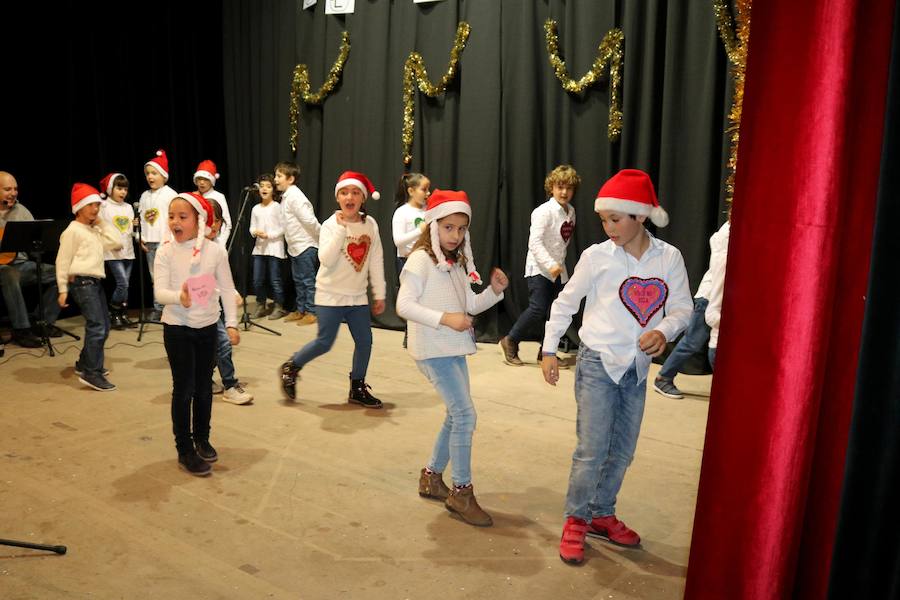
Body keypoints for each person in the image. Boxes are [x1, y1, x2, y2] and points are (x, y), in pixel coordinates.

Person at [541, 169, 692, 565]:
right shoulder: (596, 257)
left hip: (638, 369)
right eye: (603, 219)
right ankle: (576, 519)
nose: (608, 227)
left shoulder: (669, 258)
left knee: (622, 450)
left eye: (615, 219)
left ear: (640, 216)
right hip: (597, 363)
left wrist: (663, 330)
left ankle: (601, 513)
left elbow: (682, 308)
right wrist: (548, 349)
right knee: (592, 449)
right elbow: (565, 303)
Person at [397, 189, 508, 527]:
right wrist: (447, 318)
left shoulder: (456, 261)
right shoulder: (420, 261)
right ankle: (461, 492)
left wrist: (495, 292)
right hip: (433, 349)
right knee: (464, 415)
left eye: (461, 229)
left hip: (453, 347)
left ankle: (431, 478)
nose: (455, 235)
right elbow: (403, 306)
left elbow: (469, 306)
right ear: (432, 225)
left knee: (456, 414)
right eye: (448, 227)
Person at [280, 171, 386, 408]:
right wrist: (341, 230)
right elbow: (325, 260)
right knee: (324, 342)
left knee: (365, 341)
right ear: (338, 198)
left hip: (357, 297)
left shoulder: (370, 225)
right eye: (344, 193)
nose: (350, 197)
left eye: (355, 193)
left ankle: (357, 388)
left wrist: (379, 293)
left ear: (363, 198)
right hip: (329, 295)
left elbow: (376, 259)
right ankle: (292, 366)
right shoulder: (329, 225)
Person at [154, 192, 239, 476]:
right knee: (184, 388)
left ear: (199, 220)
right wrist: (180, 297)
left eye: (182, 216)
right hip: (177, 328)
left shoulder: (215, 251)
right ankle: (185, 449)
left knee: (204, 387)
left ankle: (202, 438)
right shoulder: (165, 251)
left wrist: (232, 324)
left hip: (207, 328)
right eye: (172, 216)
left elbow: (227, 289)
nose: (175, 221)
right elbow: (159, 292)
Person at [499, 165, 580, 367]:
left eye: (569, 188)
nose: (564, 192)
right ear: (551, 188)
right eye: (560, 187)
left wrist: (559, 267)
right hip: (539, 269)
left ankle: (546, 352)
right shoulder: (543, 212)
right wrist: (550, 264)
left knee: (556, 312)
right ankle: (510, 340)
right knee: (537, 309)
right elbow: (534, 243)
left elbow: (561, 243)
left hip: (558, 271)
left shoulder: (571, 212)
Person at [653, 220, 730, 398]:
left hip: (717, 297)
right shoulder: (727, 234)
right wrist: (714, 307)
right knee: (693, 341)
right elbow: (720, 274)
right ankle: (663, 378)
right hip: (710, 298)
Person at [56, 184, 123, 391]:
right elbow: (63, 260)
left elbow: (116, 241)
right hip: (82, 283)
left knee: (103, 325)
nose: (96, 209)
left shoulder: (93, 230)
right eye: (91, 205)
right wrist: (62, 288)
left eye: (97, 205)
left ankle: (85, 363)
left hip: (94, 283)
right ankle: (91, 373)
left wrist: (102, 221)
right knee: (97, 326)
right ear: (79, 207)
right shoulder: (72, 231)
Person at [0, 171, 61, 347]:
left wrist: (39, 244)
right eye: (7, 189)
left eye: (15, 189)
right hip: (2, 269)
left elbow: (34, 241)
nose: (13, 193)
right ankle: (21, 330)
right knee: (8, 274)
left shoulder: (21, 210)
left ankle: (43, 322)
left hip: (22, 265)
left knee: (63, 273)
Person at [205, 198, 253, 405]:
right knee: (220, 344)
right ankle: (230, 385)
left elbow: (222, 278)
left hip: (213, 306)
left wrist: (231, 292)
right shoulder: (192, 248)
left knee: (218, 344)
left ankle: (210, 380)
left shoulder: (217, 248)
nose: (214, 224)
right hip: (198, 308)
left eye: (217, 220)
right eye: (209, 219)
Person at [277, 161, 321, 324]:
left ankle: (312, 312)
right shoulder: (286, 197)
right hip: (295, 246)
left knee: (308, 280)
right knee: (298, 279)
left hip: (305, 245)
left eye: (279, 176)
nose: (276, 179)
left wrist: (323, 235)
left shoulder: (295, 197)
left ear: (291, 179)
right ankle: (301, 309)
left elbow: (309, 221)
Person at [391, 172, 430, 348]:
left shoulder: (428, 211)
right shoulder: (402, 212)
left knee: (427, 298)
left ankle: (423, 335)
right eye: (424, 189)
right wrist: (420, 230)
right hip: (407, 261)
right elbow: (398, 241)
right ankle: (410, 334)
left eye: (428, 189)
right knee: (412, 298)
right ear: (411, 191)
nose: (428, 193)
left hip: (427, 260)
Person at [139, 150, 177, 322]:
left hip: (167, 242)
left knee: (169, 275)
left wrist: (168, 240)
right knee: (155, 277)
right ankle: (158, 307)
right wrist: (139, 237)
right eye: (147, 173)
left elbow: (174, 220)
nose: (150, 177)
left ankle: (171, 307)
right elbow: (140, 219)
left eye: (154, 173)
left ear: (163, 175)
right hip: (150, 243)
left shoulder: (170, 194)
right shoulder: (144, 196)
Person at [98, 172, 136, 330]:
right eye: (119, 188)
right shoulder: (104, 206)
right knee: (122, 283)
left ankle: (122, 314)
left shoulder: (128, 207)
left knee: (125, 285)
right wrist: (109, 243)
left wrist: (136, 226)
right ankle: (113, 312)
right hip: (112, 253)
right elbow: (99, 229)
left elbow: (130, 230)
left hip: (128, 251)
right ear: (110, 189)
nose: (123, 192)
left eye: (125, 189)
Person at [249, 173, 287, 320]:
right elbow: (252, 227)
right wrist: (255, 232)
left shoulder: (277, 207)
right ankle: (261, 305)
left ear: (273, 189)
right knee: (257, 279)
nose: (264, 189)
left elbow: (283, 228)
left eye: (268, 186)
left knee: (275, 279)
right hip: (259, 248)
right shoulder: (255, 208)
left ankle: (279, 306)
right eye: (262, 186)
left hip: (274, 248)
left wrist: (269, 235)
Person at [704, 221, 730, 370]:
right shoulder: (724, 260)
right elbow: (712, 315)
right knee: (690, 343)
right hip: (721, 349)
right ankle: (665, 377)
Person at [194, 160, 232, 246]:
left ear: (211, 181)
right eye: (199, 179)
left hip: (215, 243)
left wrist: (221, 244)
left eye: (205, 179)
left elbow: (226, 224)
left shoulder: (218, 197)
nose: (202, 182)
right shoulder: (194, 197)